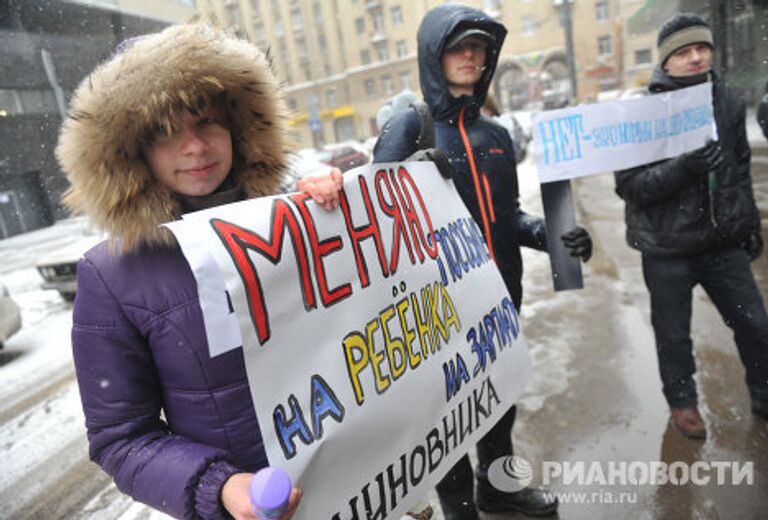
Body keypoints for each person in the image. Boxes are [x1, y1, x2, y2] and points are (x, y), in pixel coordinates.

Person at [56, 22, 344, 519]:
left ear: (238, 125)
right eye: (165, 131)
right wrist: (221, 486)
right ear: (132, 150)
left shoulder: (294, 218)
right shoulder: (111, 276)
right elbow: (121, 439)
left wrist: (332, 209)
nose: (194, 147)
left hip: (354, 478)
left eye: (206, 121)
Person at [373, 4, 592, 519]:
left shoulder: (494, 136)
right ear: (434, 56)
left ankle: (499, 487)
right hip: (440, 311)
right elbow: (372, 225)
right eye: (458, 46)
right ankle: (460, 509)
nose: (471, 55)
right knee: (449, 417)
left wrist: (555, 236)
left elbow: (508, 217)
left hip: (501, 298)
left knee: (499, 400)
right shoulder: (411, 129)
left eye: (478, 47)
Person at [614, 13, 768, 439]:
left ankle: (763, 391)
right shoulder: (643, 113)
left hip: (723, 243)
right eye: (684, 52)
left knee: (756, 324)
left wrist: (749, 223)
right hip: (667, 249)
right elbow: (631, 187)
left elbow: (738, 170)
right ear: (666, 61)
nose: (696, 58)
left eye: (702, 48)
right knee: (673, 335)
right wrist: (684, 168)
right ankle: (683, 404)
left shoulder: (729, 102)